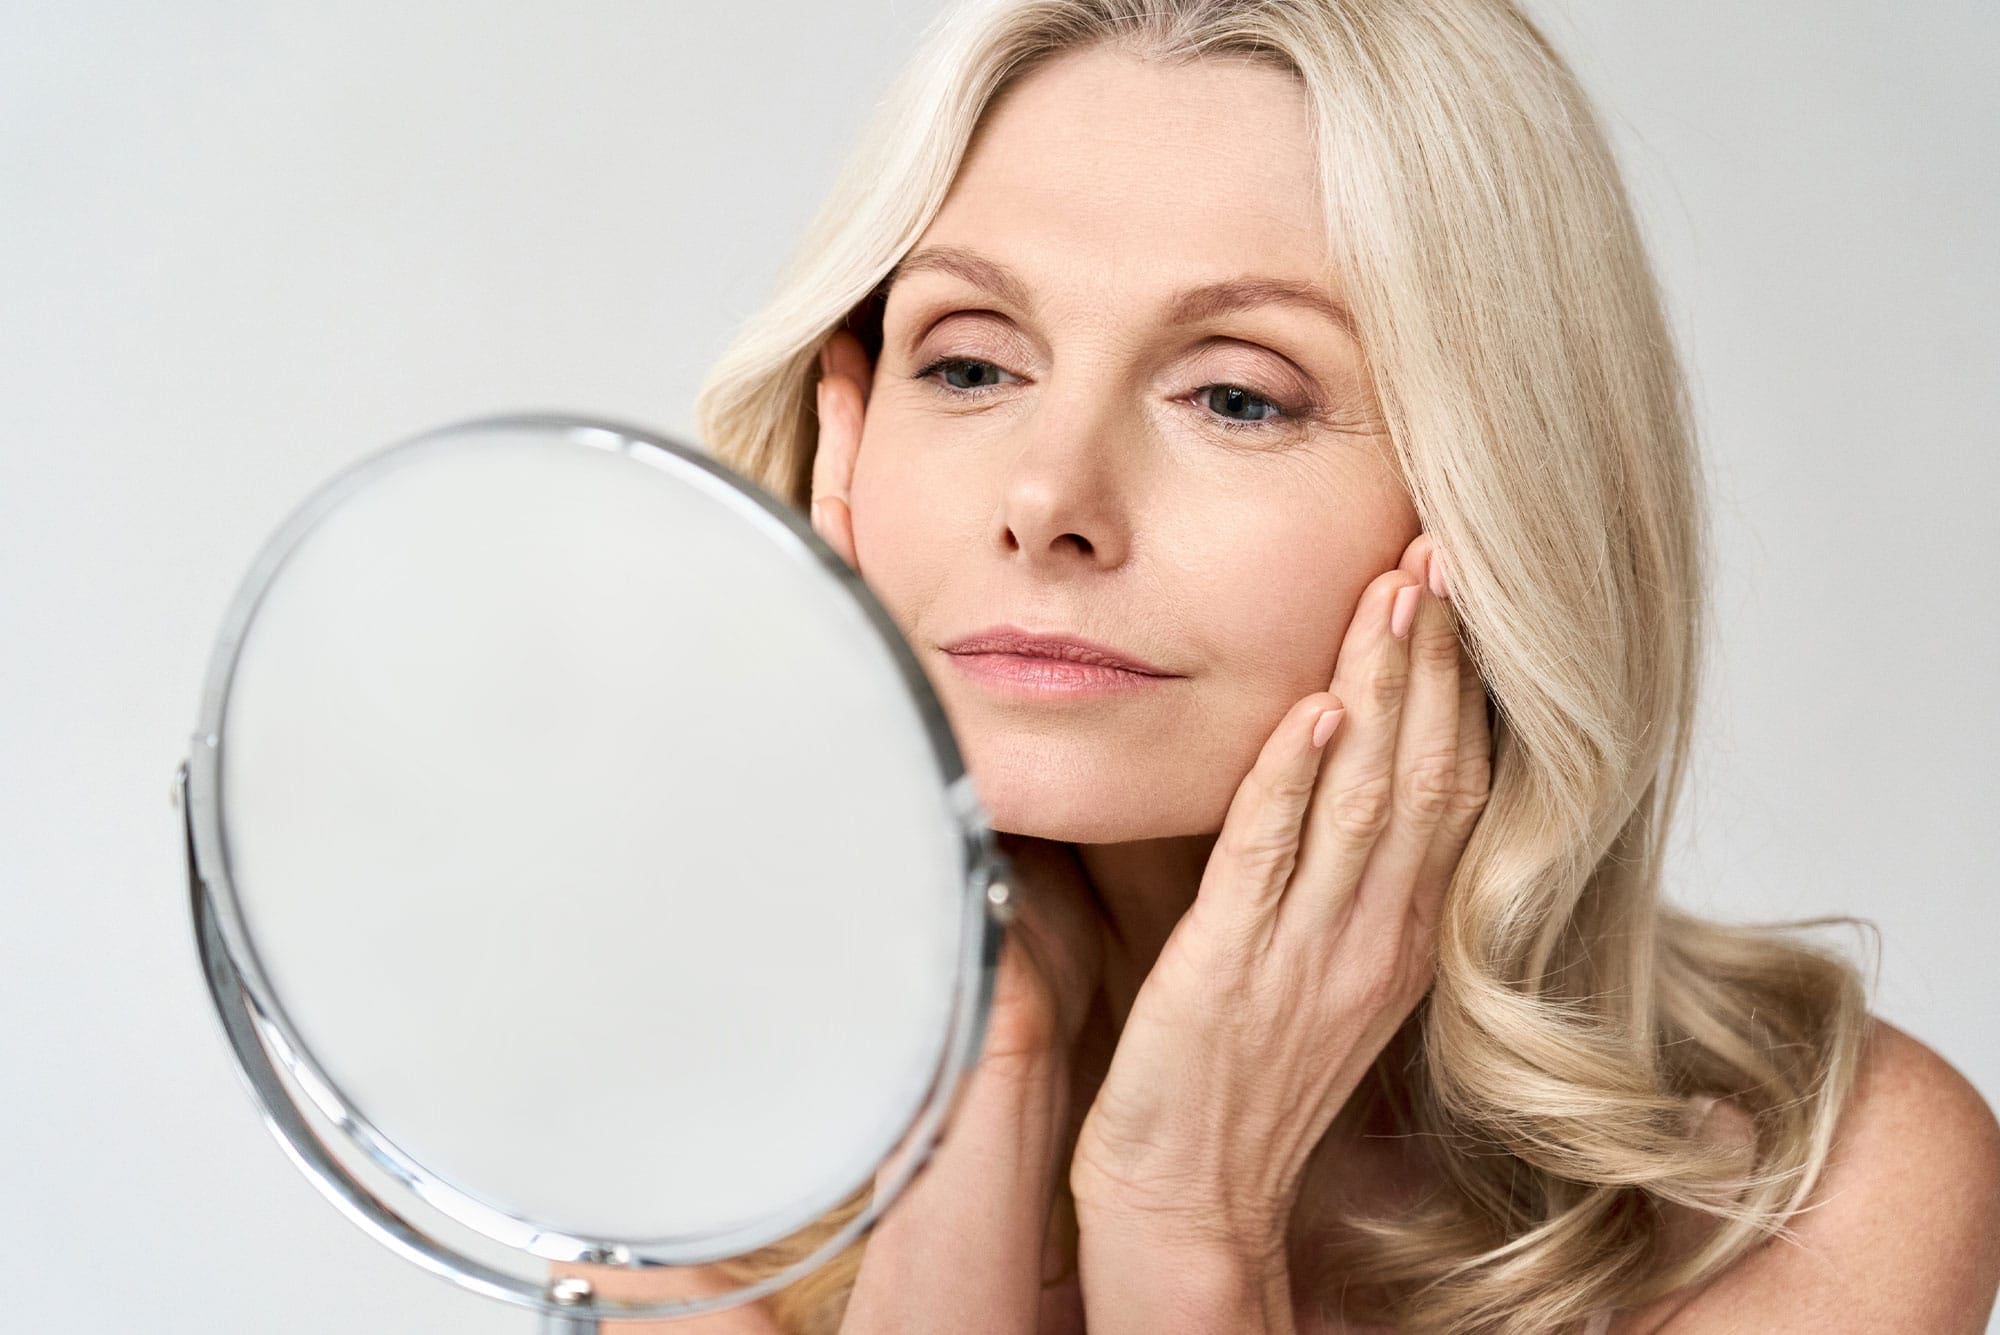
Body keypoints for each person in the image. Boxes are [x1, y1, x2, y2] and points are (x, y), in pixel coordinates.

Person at [642, 1, 2000, 1330]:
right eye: (973, 366)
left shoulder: (1814, 1187)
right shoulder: (682, 1181)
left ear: (1495, 508)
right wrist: (989, 1084)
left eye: (1238, 395)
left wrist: (1186, 1216)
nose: (1048, 492)